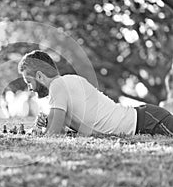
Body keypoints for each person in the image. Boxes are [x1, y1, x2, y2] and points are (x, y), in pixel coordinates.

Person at [18, 50, 173, 136]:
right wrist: (46, 123)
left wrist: (39, 132)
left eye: (28, 82)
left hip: (146, 119)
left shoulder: (58, 85)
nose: (29, 88)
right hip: (142, 121)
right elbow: (62, 129)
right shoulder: (63, 86)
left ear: (39, 76)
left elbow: (54, 133)